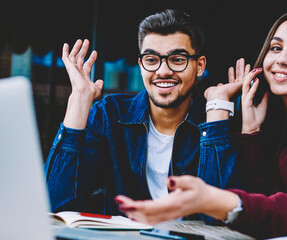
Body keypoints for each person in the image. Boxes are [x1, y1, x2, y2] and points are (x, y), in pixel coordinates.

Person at [114, 8, 287, 238]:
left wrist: (213, 200)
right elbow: (265, 203)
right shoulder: (282, 121)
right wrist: (250, 132)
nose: (282, 60)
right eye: (275, 48)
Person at [44, 9, 242, 218]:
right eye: (151, 59)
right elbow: (54, 203)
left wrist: (217, 108)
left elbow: (218, 217)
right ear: (141, 65)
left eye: (177, 59)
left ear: (199, 66)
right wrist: (79, 100)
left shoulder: (216, 124)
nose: (163, 71)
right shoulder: (110, 116)